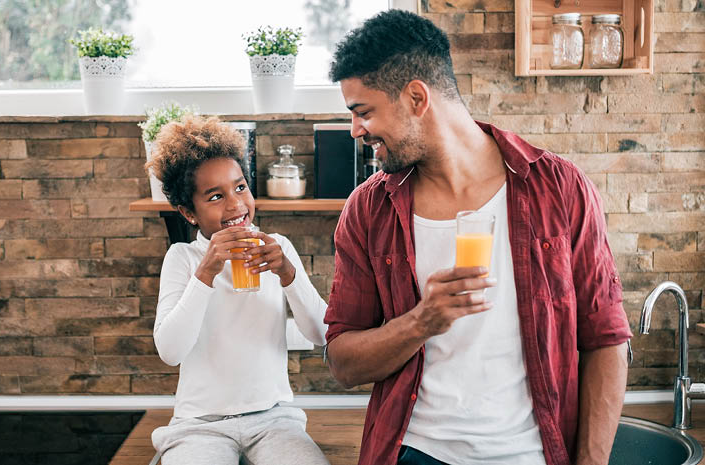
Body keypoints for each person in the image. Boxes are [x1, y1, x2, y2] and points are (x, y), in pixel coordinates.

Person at [323, 10, 631, 465]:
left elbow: (606, 338)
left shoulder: (559, 188)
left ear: (416, 97)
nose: (355, 131)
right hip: (414, 452)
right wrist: (421, 321)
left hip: (530, 453)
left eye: (363, 112)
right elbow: (343, 362)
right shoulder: (369, 210)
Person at [146, 115, 331, 465]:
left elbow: (322, 333)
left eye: (240, 187)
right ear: (189, 212)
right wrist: (206, 272)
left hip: (274, 420)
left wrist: (288, 274)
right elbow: (170, 351)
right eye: (216, 196)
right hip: (199, 425)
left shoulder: (278, 248)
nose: (235, 205)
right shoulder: (183, 259)